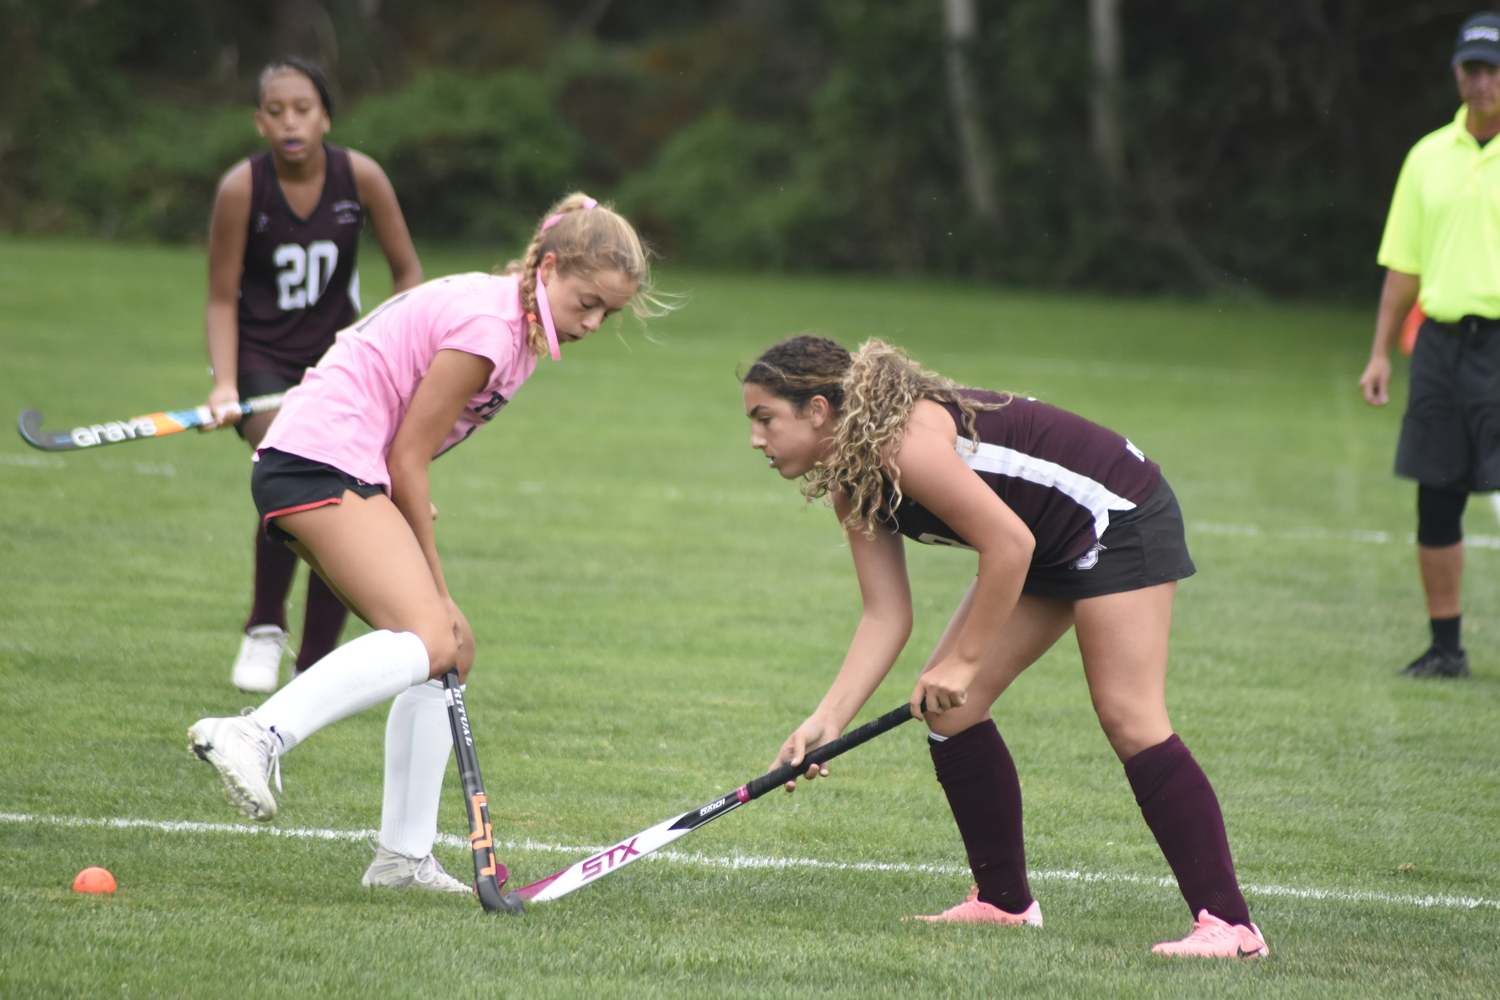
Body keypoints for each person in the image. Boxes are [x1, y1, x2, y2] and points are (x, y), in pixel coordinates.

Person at [189, 194, 659, 893]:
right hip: (321, 463)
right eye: (586, 302)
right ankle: (255, 734)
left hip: (336, 463)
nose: (591, 322)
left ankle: (401, 860)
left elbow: (406, 439)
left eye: (607, 314)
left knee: (452, 651)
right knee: (435, 631)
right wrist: (433, 584)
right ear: (549, 267)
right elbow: (411, 453)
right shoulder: (493, 330)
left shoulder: (515, 320)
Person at [740, 335, 1268, 958]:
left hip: (1115, 514)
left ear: (819, 412)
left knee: (1129, 715)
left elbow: (1009, 545)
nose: (756, 439)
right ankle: (1004, 903)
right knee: (951, 711)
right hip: (1042, 538)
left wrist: (965, 661)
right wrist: (826, 721)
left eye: (765, 418)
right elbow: (886, 615)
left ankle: (1232, 926)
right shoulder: (853, 486)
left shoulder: (901, 448)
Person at [205, 56, 424, 694]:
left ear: (325, 116)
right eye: (276, 112)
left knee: (346, 492)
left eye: (303, 109)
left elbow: (408, 276)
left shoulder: (362, 177)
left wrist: (375, 344)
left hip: (339, 362)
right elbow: (222, 298)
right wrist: (225, 384)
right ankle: (265, 627)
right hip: (261, 360)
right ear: (259, 121)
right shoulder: (243, 189)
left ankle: (315, 665)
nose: (290, 122)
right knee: (303, 469)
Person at [1358, 13, 1500, 680]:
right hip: (1441, 346)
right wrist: (1382, 351)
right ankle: (1447, 647)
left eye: (1493, 69)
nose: (1483, 82)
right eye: (1473, 69)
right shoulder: (1426, 157)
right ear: (1456, 73)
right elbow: (1404, 266)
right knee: (1437, 498)